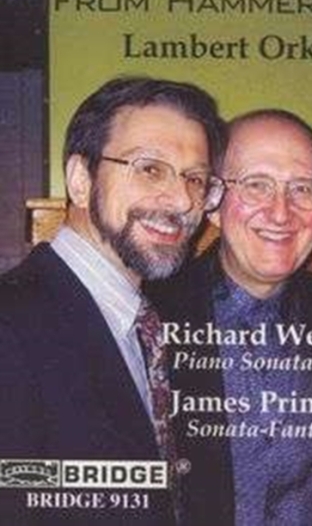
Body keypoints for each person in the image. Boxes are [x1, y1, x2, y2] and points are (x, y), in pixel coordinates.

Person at [0, 76, 225, 526]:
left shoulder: (146, 321)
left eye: (196, 179)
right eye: (150, 168)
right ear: (81, 180)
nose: (182, 200)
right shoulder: (11, 328)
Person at [149, 109, 312, 525]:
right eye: (257, 185)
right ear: (214, 202)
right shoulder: (149, 318)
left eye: (302, 189)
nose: (281, 213)